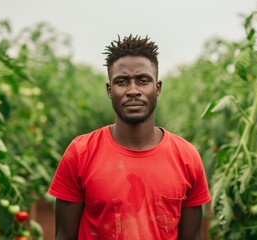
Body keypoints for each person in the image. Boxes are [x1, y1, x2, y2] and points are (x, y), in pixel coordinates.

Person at [48, 35, 211, 240]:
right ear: (109, 90)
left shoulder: (187, 157)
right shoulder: (80, 152)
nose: (133, 91)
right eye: (122, 82)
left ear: (157, 88)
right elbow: (64, 236)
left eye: (143, 81)